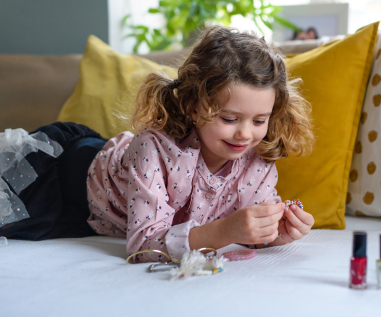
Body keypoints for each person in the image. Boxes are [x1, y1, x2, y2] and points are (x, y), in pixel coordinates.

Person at [0, 26, 315, 263]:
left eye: (259, 121)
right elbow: (143, 246)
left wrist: (275, 234)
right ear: (193, 106)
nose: (245, 135)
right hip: (59, 175)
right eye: (230, 119)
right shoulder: (155, 146)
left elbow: (248, 225)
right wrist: (225, 232)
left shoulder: (257, 161)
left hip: (96, 216)